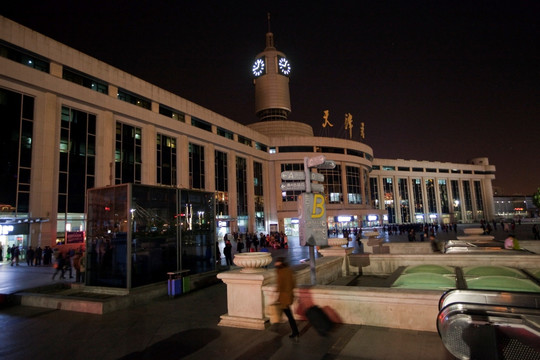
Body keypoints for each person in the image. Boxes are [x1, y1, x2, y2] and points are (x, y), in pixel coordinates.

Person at [275, 256, 299, 341]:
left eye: (277, 262)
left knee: (289, 315)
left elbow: (281, 284)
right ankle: (294, 332)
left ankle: (295, 332)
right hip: (287, 295)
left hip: (284, 296)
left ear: (280, 263)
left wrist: (277, 290)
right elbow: (292, 283)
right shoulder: (286, 270)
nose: (275, 263)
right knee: (286, 313)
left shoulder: (282, 271)